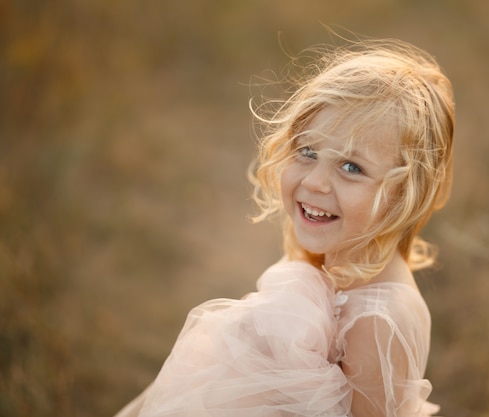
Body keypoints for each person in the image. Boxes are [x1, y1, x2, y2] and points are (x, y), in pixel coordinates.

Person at [114, 36, 454, 417]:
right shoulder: (332, 259)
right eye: (307, 152)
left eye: (351, 167)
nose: (315, 183)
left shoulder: (376, 322)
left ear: (403, 192)